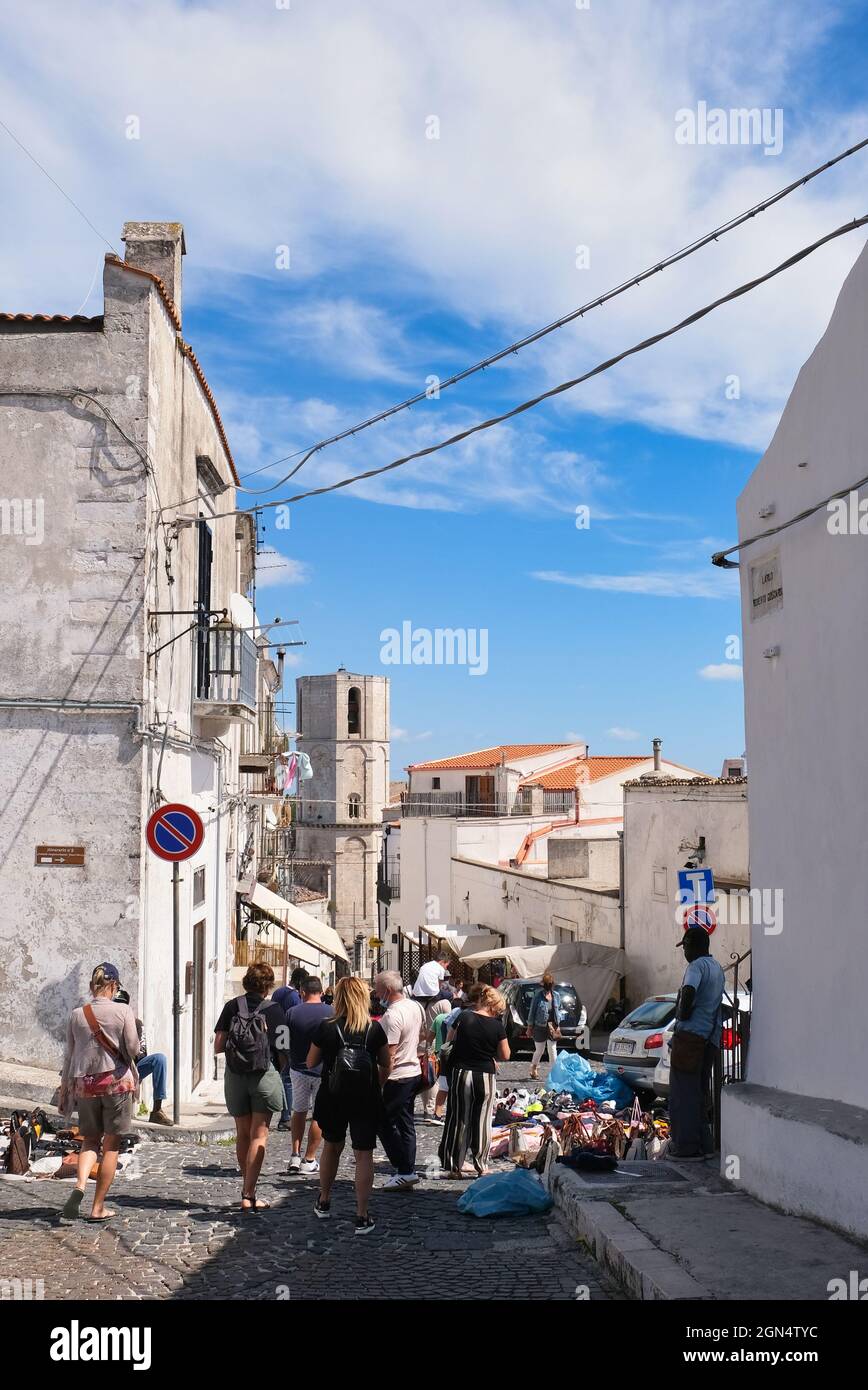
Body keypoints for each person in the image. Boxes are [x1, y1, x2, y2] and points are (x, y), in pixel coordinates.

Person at [307, 975, 391, 1234]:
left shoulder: (327, 1027)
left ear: (339, 998)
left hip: (333, 1096)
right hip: (365, 1097)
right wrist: (373, 1083)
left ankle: (324, 1200)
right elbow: (386, 1064)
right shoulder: (374, 1029)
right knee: (364, 1154)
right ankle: (362, 1214)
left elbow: (310, 1062)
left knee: (332, 1146)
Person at [58, 962, 141, 1223]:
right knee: (112, 1145)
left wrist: (65, 1091)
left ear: (91, 987)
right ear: (114, 986)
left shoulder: (77, 1014)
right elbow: (133, 1048)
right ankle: (97, 1208)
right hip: (116, 1084)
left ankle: (80, 1185)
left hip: (86, 1086)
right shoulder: (123, 1010)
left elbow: (69, 1056)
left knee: (90, 1141)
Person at [214, 962, 288, 1211]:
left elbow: (218, 1046)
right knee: (259, 1135)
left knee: (243, 1134)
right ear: (268, 986)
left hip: (235, 1076)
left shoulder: (231, 1006)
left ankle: (247, 1189)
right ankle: (249, 1193)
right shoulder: (276, 1010)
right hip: (263, 1075)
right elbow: (283, 1049)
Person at [439, 983, 509, 1179]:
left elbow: (450, 1040)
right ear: (494, 1006)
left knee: (458, 1120)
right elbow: (506, 1054)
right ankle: (481, 1166)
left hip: (461, 1072)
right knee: (482, 1121)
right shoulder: (497, 1026)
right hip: (484, 1075)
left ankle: (455, 1167)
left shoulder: (464, 1016)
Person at [668, 927, 725, 1160]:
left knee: (683, 1095)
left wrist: (681, 1014)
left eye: (685, 947)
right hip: (709, 1039)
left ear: (693, 945)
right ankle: (706, 1146)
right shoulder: (718, 968)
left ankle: (687, 1148)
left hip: (690, 1038)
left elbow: (689, 991)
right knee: (700, 1094)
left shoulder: (696, 967)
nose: (685, 953)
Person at [374, 970, 426, 1190]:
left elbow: (390, 1056)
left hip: (398, 1076)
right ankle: (407, 1169)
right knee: (405, 1123)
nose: (375, 994)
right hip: (413, 1071)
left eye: (377, 989)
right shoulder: (415, 1006)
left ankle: (404, 1168)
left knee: (383, 1123)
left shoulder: (392, 1016)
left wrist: (379, 1083)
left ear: (386, 990)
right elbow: (422, 1035)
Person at [286, 976, 333, 1175]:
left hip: (298, 1068)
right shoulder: (331, 1012)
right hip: (323, 1070)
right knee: (319, 1115)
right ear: (321, 993)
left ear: (302, 992)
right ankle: (309, 1158)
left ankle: (295, 1156)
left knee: (298, 1110)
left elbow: (283, 1041)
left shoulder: (292, 1012)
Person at [115, 988, 172, 1127]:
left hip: (131, 1066)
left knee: (160, 1059)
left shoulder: (136, 1024)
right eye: (117, 1004)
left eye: (122, 1005)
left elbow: (140, 1052)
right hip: (111, 1068)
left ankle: (157, 1109)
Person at [273, 967, 308, 1131]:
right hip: (290, 1039)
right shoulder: (295, 997)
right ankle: (286, 1117)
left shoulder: (278, 992)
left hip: (277, 1037)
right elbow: (298, 1018)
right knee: (288, 1078)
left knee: (282, 1076)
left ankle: (285, 1114)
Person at [528, 972, 563, 1081]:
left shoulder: (556, 995)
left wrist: (558, 1023)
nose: (548, 985)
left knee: (553, 1050)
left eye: (550, 983)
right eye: (547, 984)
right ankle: (533, 1067)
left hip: (552, 1026)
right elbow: (532, 1012)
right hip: (539, 1026)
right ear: (544, 985)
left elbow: (559, 1010)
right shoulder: (538, 996)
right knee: (540, 1050)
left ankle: (554, 1074)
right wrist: (529, 1027)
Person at [427, 998, 453, 1124]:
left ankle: (437, 1114)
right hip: (454, 1053)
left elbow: (430, 1037)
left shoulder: (438, 1018)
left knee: (442, 1085)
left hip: (440, 1054)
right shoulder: (457, 1018)